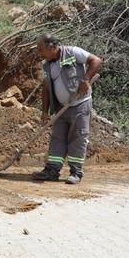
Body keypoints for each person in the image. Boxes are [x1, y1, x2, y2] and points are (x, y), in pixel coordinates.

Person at [33, 34, 103, 184]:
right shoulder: (46, 64)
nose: (39, 52)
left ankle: (76, 172)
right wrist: (45, 111)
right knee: (57, 138)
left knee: (78, 137)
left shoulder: (73, 52)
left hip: (80, 103)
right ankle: (52, 170)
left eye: (41, 48)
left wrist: (86, 79)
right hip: (60, 108)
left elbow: (96, 61)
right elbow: (46, 88)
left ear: (52, 47)